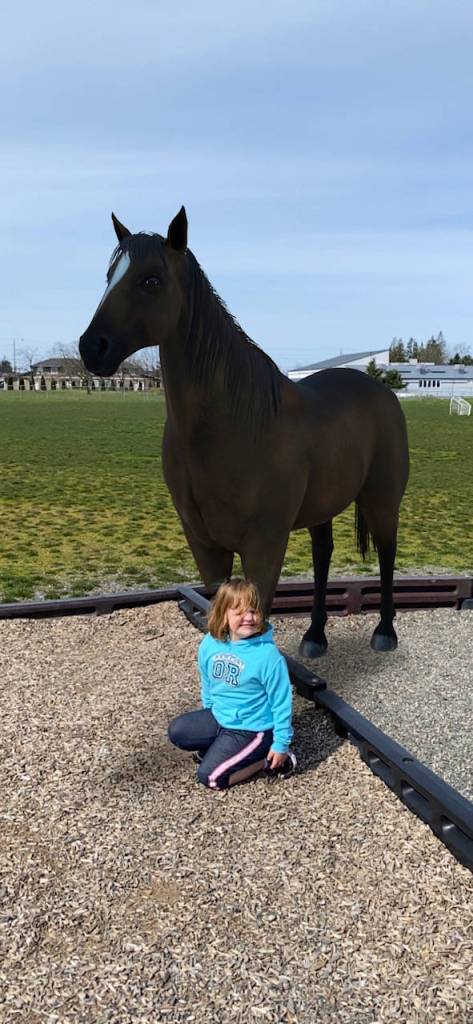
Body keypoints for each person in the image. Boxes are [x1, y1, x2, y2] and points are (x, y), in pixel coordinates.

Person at [168, 578, 296, 790]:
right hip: (220, 717)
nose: (248, 618)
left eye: (253, 611)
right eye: (239, 613)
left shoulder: (267, 656)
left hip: (253, 729)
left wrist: (281, 744)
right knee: (177, 732)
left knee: (210, 778)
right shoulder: (211, 643)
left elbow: (282, 703)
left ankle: (266, 761)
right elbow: (208, 682)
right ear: (224, 615)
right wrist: (208, 715)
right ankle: (220, 746)